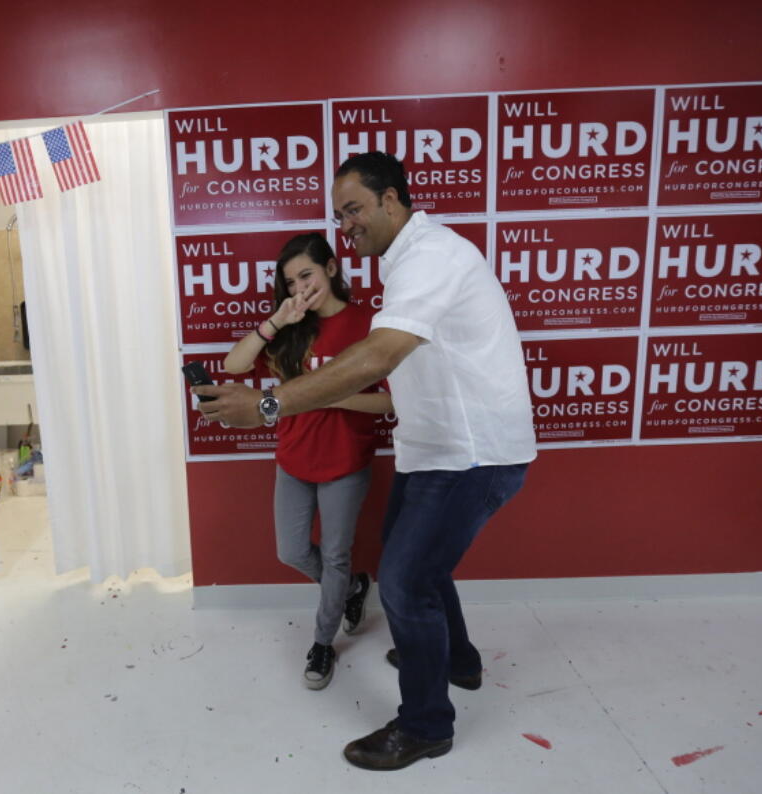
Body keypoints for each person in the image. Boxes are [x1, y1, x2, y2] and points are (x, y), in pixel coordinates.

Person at [193, 152, 536, 771]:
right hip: (432, 449)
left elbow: (379, 357)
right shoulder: (405, 263)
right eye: (337, 214)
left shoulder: (431, 255)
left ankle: (427, 725)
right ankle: (456, 659)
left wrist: (268, 406)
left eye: (353, 209)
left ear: (394, 201)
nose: (345, 225)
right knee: (413, 564)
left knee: (404, 582)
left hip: (473, 454)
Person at [222, 232, 391, 691]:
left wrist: (326, 392)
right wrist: (276, 321)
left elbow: (391, 405)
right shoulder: (291, 329)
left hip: (346, 462)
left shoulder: (370, 324)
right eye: (291, 281)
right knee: (292, 550)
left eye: (307, 275)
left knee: (334, 557)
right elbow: (235, 367)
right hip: (294, 460)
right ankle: (354, 588)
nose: (300, 288)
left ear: (332, 269)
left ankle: (322, 642)